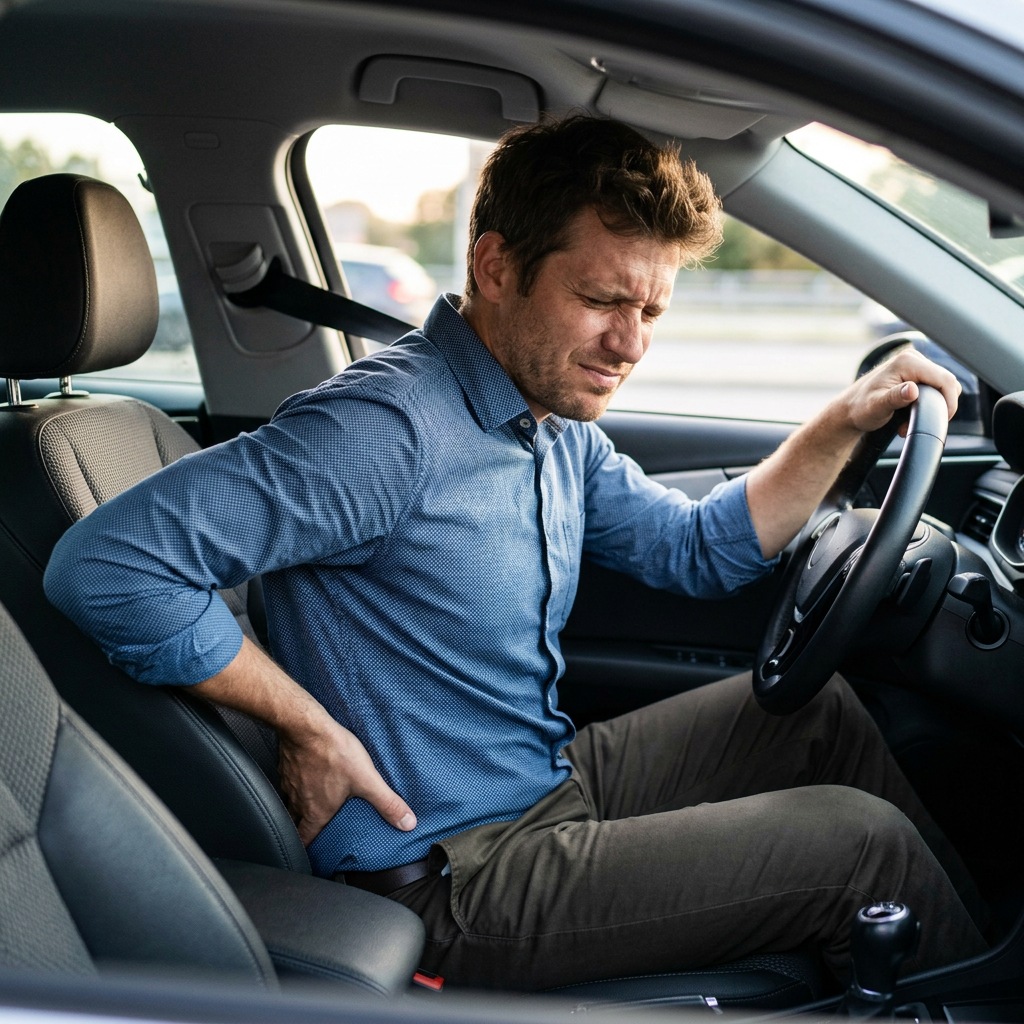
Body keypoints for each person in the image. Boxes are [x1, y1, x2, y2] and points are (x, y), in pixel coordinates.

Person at [45, 114, 986, 991]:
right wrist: (309, 727)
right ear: (496, 267)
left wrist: (845, 422)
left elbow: (697, 549)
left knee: (817, 714)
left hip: (542, 780)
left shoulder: (550, 420)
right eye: (601, 299)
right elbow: (107, 564)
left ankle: (973, 956)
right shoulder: (385, 429)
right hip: (454, 871)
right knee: (857, 844)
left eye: (651, 311)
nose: (629, 345)